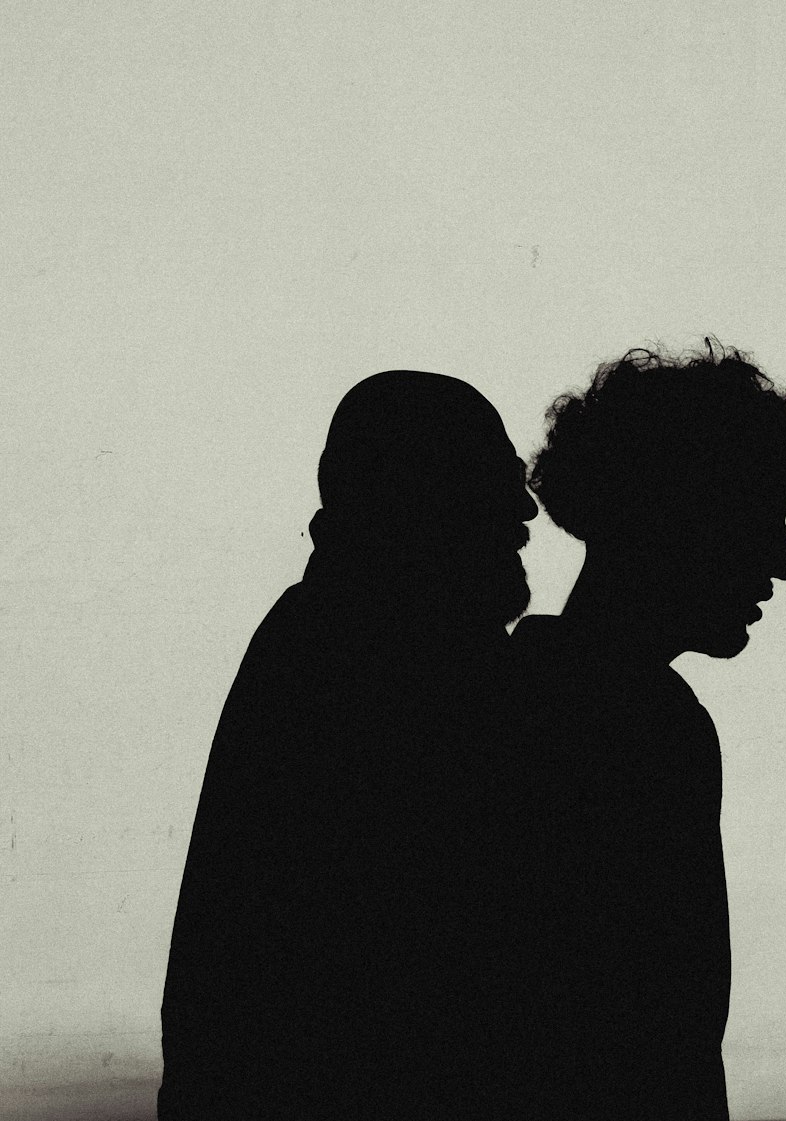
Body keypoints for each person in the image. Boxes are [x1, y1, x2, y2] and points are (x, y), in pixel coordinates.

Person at [158, 370, 538, 1119]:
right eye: (495, 478)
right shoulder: (386, 661)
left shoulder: (329, 638)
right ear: (417, 493)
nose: (525, 507)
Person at [509, 341, 786, 1118]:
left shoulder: (539, 694)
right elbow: (659, 1049)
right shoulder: (642, 726)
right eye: (763, 516)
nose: (781, 564)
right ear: (683, 514)